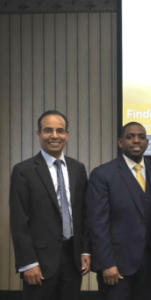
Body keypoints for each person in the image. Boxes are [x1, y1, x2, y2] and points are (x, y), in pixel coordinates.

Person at [9, 110, 90, 300]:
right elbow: (19, 220)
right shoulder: (24, 171)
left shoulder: (78, 168)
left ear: (67, 135)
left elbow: (83, 214)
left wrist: (86, 249)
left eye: (60, 130)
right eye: (48, 130)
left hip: (73, 259)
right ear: (38, 134)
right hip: (39, 263)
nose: (54, 136)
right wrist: (28, 263)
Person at [87, 122, 151, 300]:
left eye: (141, 136)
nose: (136, 141)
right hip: (116, 265)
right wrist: (106, 263)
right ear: (120, 142)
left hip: (148, 263)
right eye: (130, 137)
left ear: (147, 142)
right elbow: (97, 223)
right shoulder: (102, 174)